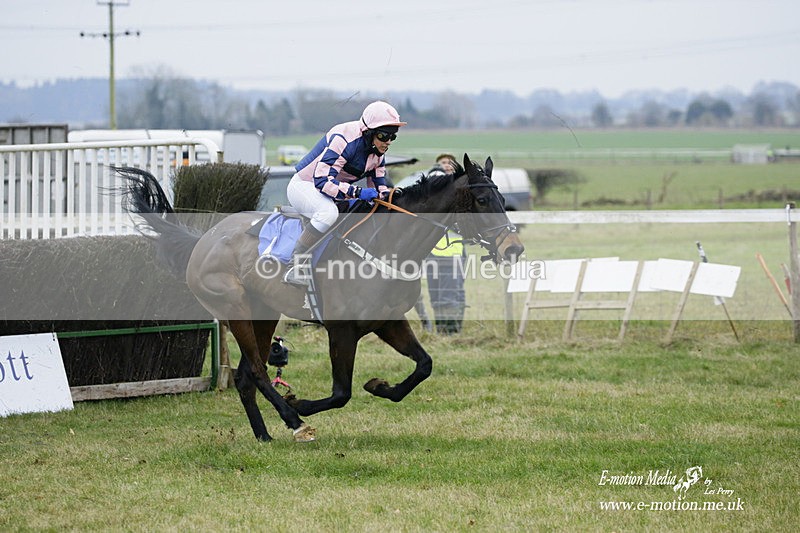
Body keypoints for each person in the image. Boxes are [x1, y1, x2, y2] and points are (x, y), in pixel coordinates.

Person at [283, 101, 407, 286]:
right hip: (305, 185)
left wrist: (396, 198)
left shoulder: (378, 153)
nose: (388, 142)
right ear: (369, 132)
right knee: (328, 214)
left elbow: (381, 189)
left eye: (392, 137)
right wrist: (357, 192)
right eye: (383, 135)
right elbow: (321, 180)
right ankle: (295, 265)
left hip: (331, 191)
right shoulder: (344, 138)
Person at [423, 154, 467, 334]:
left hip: (454, 251)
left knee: (452, 293)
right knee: (437, 293)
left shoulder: (457, 195)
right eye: (442, 163)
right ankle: (443, 329)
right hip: (433, 251)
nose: (447, 166)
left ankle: (452, 330)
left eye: (450, 163)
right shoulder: (436, 193)